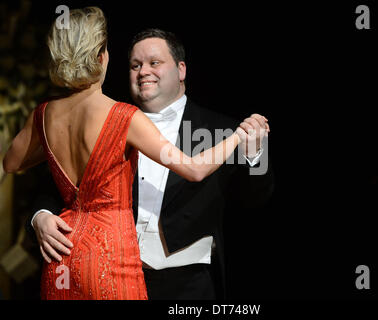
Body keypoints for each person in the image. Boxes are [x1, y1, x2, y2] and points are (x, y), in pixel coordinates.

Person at [2, 8, 268, 300]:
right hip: (116, 265)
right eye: (135, 65)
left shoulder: (44, 113)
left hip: (175, 281)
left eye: (155, 62)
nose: (144, 71)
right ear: (103, 57)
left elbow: (12, 163)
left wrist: (254, 154)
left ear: (182, 69)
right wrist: (39, 216)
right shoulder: (120, 116)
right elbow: (194, 169)